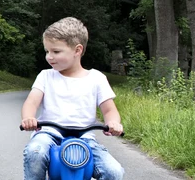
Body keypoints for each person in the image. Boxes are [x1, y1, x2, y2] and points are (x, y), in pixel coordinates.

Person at [21, 17, 125, 180]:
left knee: (114, 171)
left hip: (85, 137)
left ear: (77, 50)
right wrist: (28, 118)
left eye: (56, 51)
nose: (49, 56)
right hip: (49, 134)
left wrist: (113, 123)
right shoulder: (46, 76)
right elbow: (32, 102)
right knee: (35, 152)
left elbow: (110, 109)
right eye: (47, 51)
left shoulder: (96, 78)